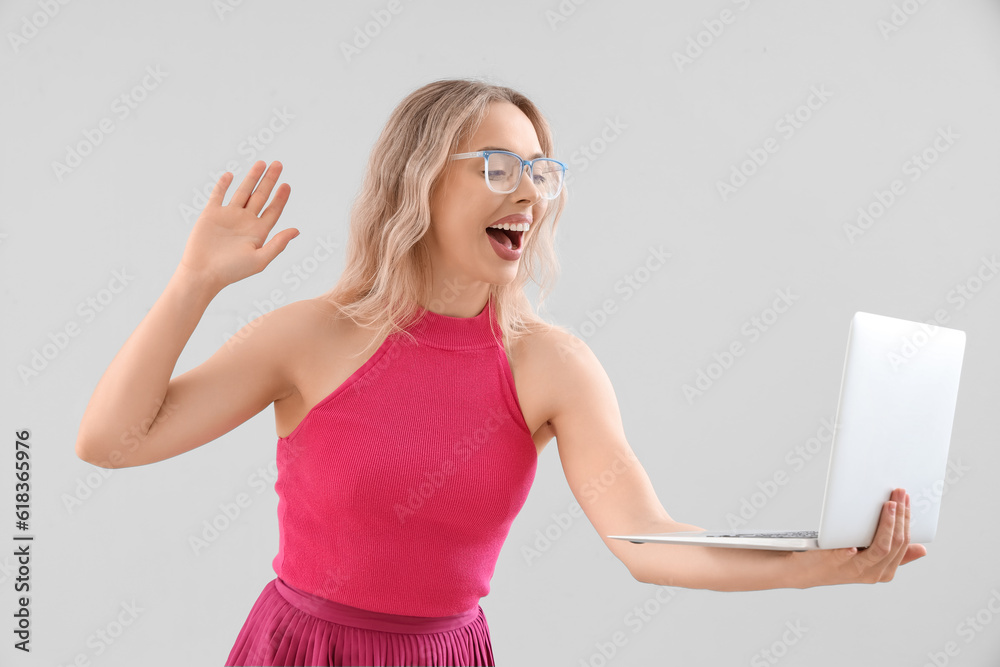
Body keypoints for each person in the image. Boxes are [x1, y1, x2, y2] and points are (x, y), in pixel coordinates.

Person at [74, 78, 926, 667]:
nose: (529, 192)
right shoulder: (309, 336)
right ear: (417, 183)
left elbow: (645, 541)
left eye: (540, 172)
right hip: (304, 648)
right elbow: (110, 441)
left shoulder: (551, 365)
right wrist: (194, 286)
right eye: (497, 167)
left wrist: (819, 562)